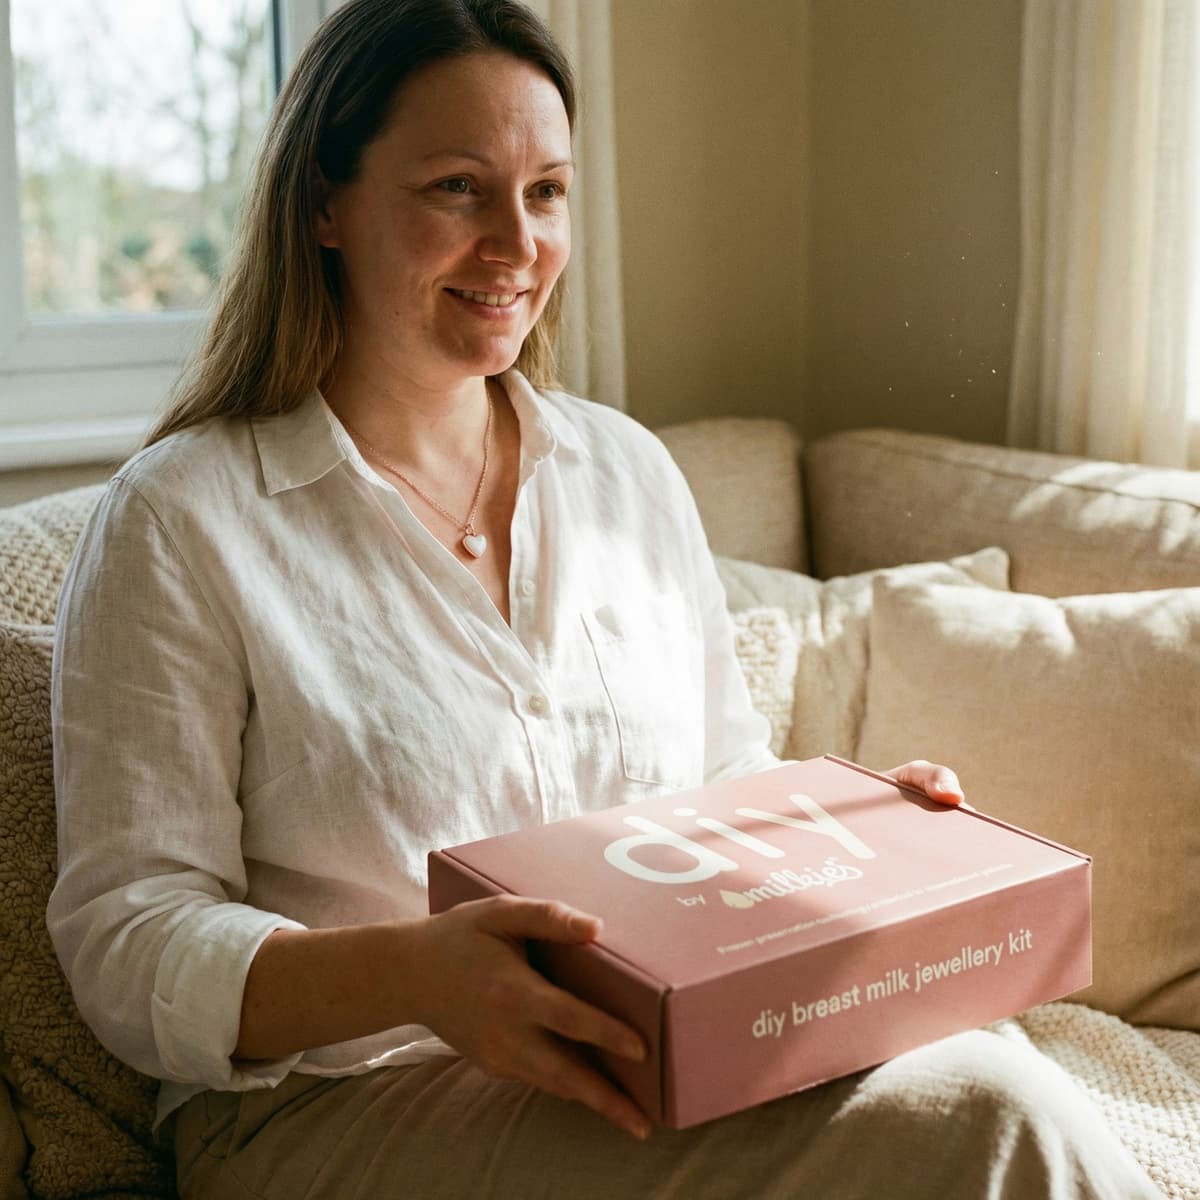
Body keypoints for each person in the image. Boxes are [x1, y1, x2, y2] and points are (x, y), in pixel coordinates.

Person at [48, 1, 1161, 1197]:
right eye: (458, 189)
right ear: (325, 204)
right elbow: (126, 936)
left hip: (657, 1056)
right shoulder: (181, 519)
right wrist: (414, 973)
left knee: (982, 1069)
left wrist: (859, 836)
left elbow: (722, 788)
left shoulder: (625, 472)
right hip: (338, 1101)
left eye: (547, 192)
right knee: (980, 1121)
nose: (517, 243)